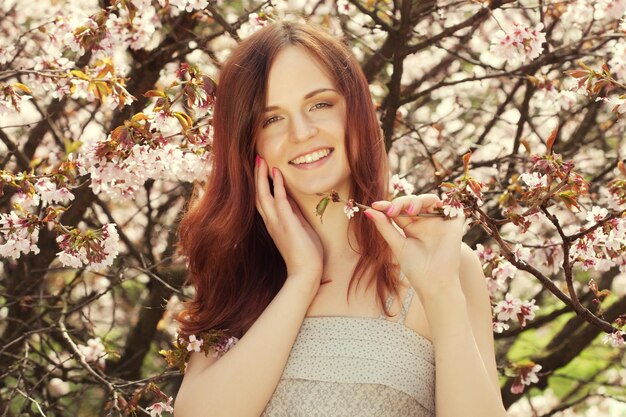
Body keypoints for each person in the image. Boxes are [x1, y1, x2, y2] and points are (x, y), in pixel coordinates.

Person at [173, 21, 506, 417]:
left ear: (356, 111)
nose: (302, 132)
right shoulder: (238, 271)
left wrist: (439, 291)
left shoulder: (444, 266)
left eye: (320, 104)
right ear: (249, 143)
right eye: (271, 119)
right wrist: (302, 278)